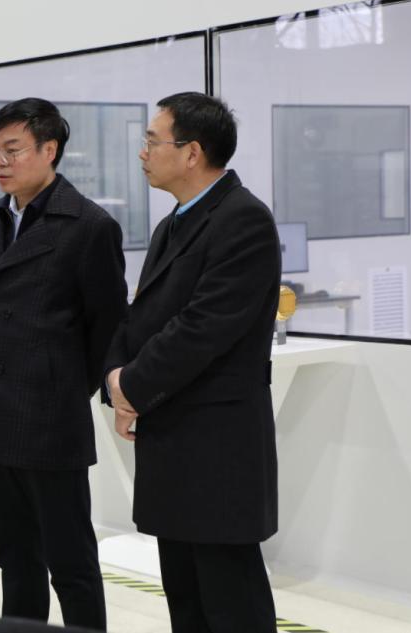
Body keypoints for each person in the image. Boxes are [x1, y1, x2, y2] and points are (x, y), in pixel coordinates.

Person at [0, 97, 127, 631]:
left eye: (14, 150)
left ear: (50, 150)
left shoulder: (88, 226)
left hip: (48, 418)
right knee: (13, 557)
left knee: (70, 562)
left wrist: (60, 385)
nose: (0, 162)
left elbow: (108, 327)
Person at [104, 92, 280, 633]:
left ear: (192, 152)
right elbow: (141, 315)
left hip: (216, 446)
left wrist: (132, 385)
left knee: (231, 601)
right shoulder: (173, 224)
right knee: (186, 599)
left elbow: (202, 328)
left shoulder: (243, 220)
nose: (143, 153)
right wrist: (116, 380)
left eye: (153, 141)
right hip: (172, 437)